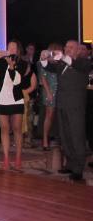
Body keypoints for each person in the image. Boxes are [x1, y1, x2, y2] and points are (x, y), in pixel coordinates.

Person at [40, 41, 91, 181]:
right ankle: (70, 164)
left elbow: (74, 64)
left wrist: (62, 57)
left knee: (76, 137)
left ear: (78, 50)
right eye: (66, 47)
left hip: (75, 106)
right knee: (65, 136)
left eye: (71, 47)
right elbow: (49, 67)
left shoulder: (84, 62)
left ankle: (78, 168)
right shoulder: (62, 64)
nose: (67, 49)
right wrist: (43, 59)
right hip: (62, 105)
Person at [0, 40, 28, 170]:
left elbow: (16, 81)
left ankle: (18, 158)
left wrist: (11, 67)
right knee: (4, 129)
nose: (10, 48)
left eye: (13, 47)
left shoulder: (22, 63)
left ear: (18, 50)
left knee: (17, 129)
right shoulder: (1, 61)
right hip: (2, 99)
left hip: (16, 99)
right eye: (9, 46)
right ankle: (6, 158)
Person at [37, 43, 61, 150]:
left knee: (59, 116)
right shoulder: (43, 62)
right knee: (49, 116)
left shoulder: (60, 63)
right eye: (53, 51)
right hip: (49, 91)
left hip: (61, 91)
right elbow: (43, 78)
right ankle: (45, 140)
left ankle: (57, 138)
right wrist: (48, 92)